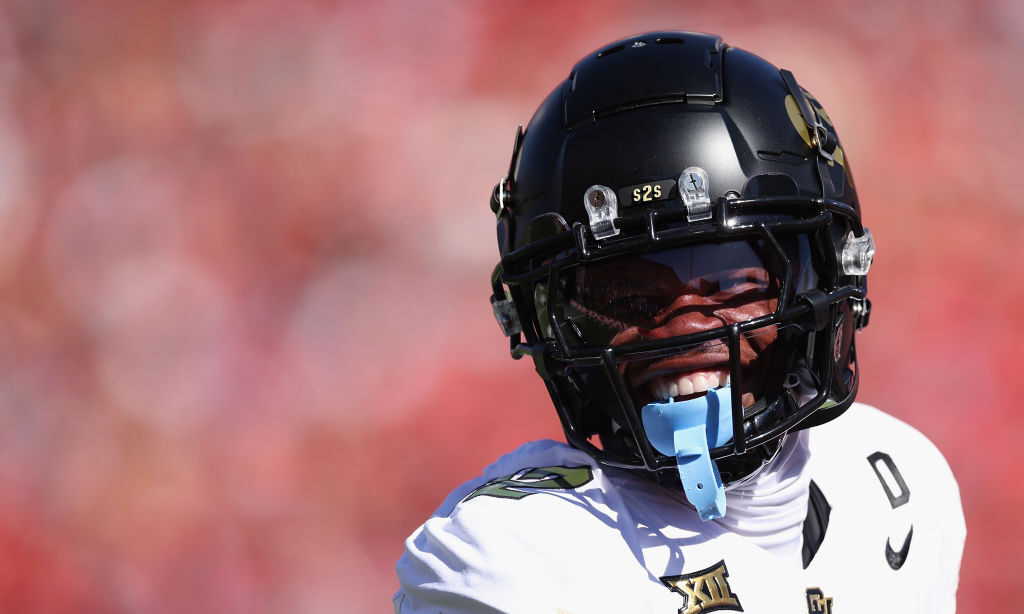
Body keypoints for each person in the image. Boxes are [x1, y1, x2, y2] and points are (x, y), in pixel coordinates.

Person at [394, 31, 965, 614]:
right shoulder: (515, 556)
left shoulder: (897, 482)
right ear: (546, 320)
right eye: (623, 298)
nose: (684, 331)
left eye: (731, 281)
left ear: (828, 271)